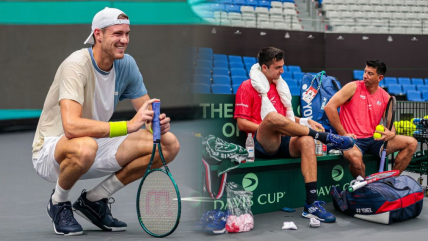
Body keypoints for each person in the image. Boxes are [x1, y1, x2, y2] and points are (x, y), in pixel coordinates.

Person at [31, 7, 180, 236]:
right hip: (52, 151)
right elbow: (71, 127)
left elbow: (147, 111)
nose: (124, 40)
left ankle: (94, 200)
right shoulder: (76, 65)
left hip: (94, 143)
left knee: (168, 144)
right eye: (117, 34)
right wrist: (129, 126)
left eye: (127, 34)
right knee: (85, 145)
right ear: (98, 35)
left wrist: (156, 124)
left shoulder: (126, 65)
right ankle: (59, 202)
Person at [234, 47, 355, 223]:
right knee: (272, 117)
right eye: (277, 67)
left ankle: (311, 204)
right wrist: (269, 125)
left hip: (283, 139)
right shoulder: (247, 87)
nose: (282, 71)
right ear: (264, 68)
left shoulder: (280, 86)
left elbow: (287, 120)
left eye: (283, 66)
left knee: (306, 140)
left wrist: (305, 121)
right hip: (260, 143)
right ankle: (324, 137)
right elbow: (242, 123)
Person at [325, 60, 417, 178]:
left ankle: (390, 181)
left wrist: (391, 133)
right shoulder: (352, 87)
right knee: (356, 159)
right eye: (365, 72)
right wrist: (343, 134)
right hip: (352, 140)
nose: (365, 76)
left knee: (412, 143)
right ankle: (364, 189)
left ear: (380, 78)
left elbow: (390, 126)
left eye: (370, 73)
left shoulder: (385, 96)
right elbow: (329, 107)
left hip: (374, 140)